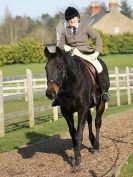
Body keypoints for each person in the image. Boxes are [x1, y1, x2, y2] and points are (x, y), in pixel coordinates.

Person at [52, 6, 110, 106]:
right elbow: (60, 44)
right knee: (61, 71)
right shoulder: (65, 31)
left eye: (73, 18)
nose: (72, 20)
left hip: (86, 54)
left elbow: (97, 38)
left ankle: (104, 92)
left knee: (99, 67)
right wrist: (65, 47)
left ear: (78, 18)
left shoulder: (86, 27)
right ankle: (59, 97)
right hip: (72, 56)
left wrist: (97, 52)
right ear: (67, 21)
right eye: (69, 19)